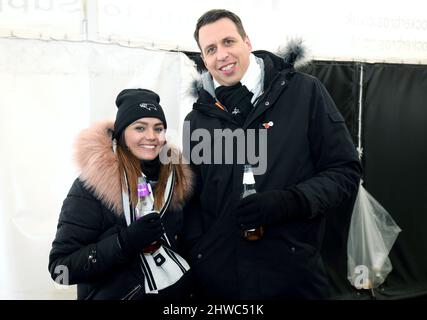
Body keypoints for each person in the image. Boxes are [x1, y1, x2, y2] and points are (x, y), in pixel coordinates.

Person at [181, 9, 362, 299]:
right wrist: (201, 251)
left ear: (247, 42)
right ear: (204, 60)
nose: (222, 55)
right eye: (211, 49)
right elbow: (192, 197)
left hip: (291, 276)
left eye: (229, 42)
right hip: (221, 281)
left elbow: (345, 171)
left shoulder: (304, 93)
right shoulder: (198, 119)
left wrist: (292, 201)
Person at [49, 88, 194, 300]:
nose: (151, 137)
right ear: (122, 133)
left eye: (158, 128)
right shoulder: (92, 186)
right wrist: (123, 243)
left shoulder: (175, 181)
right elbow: (60, 269)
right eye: (140, 128)